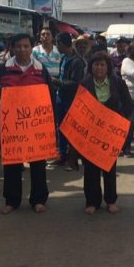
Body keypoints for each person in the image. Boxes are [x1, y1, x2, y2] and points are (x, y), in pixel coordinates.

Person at [0, 33, 52, 214]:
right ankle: (12, 201)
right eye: (18, 46)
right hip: (12, 129)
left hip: (36, 127)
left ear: (32, 47)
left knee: (38, 164)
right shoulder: (3, 70)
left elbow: (48, 100)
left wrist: (50, 125)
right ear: (12, 48)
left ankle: (39, 200)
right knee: (11, 164)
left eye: (26, 46)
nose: (22, 49)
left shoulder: (41, 70)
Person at [80, 50, 132, 214]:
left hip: (110, 133)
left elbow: (129, 105)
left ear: (108, 67)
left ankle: (110, 201)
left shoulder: (117, 82)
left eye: (103, 64)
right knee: (90, 169)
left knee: (109, 168)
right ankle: (92, 202)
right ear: (91, 67)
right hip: (90, 133)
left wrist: (120, 121)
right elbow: (78, 108)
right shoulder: (84, 84)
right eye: (96, 64)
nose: (99, 68)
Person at [55, 32, 86, 170]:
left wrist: (58, 82)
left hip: (71, 100)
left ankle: (71, 159)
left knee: (71, 130)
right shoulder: (63, 58)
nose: (56, 46)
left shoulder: (77, 62)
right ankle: (62, 155)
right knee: (61, 127)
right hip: (60, 98)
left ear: (61, 43)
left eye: (57, 43)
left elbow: (75, 83)